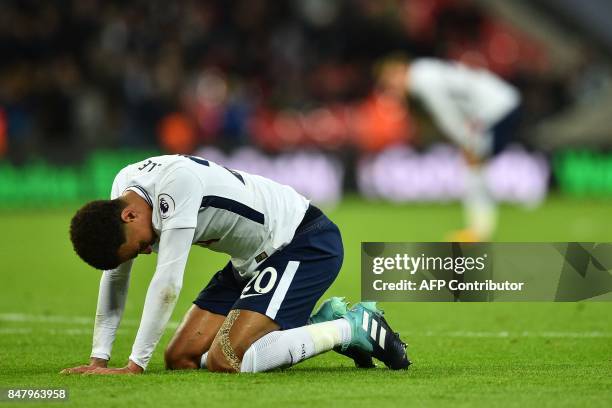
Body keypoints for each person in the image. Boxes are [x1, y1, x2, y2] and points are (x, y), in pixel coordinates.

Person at [61, 154, 410, 374]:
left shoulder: (174, 186)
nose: (146, 251)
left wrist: (134, 366)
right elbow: (115, 280)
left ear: (129, 214)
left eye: (138, 247)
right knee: (179, 358)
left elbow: (167, 283)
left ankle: (351, 327)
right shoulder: (123, 188)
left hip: (300, 242)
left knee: (225, 358)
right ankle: (309, 326)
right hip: (249, 261)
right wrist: (99, 359)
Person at [378, 56, 522, 241]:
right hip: (501, 102)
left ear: (401, 70)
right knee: (476, 166)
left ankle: (478, 230)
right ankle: (479, 229)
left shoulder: (423, 80)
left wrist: (466, 140)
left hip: (497, 108)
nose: (394, 88)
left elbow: (446, 114)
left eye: (392, 81)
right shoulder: (426, 70)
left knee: (474, 166)